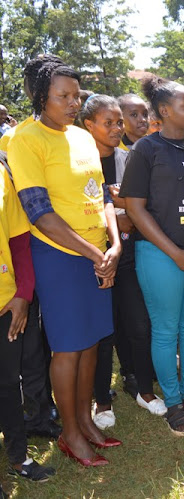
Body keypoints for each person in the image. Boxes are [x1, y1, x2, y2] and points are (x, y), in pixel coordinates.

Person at [9, 59, 121, 466]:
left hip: (98, 254)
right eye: (64, 96)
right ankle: (70, 434)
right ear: (41, 97)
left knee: (91, 341)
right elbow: (39, 211)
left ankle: (86, 422)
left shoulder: (82, 136)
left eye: (77, 95)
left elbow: (104, 194)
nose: (74, 103)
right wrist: (96, 255)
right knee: (69, 348)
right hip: (59, 256)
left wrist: (114, 245)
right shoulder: (25, 139)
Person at [120, 75, 184, 435]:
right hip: (160, 255)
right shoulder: (146, 150)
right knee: (165, 330)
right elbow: (135, 208)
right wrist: (176, 253)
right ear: (163, 111)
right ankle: (174, 401)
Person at [81, 95, 167, 419]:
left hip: (128, 254)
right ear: (89, 125)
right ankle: (102, 400)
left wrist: (125, 210)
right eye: (110, 122)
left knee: (139, 325)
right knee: (103, 333)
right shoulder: (78, 162)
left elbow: (140, 209)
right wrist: (119, 214)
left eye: (120, 122)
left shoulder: (130, 158)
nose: (118, 128)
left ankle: (144, 389)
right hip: (91, 256)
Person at [0, 54, 63, 442]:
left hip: (38, 257)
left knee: (38, 343)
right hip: (31, 245)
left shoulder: (65, 135)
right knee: (25, 345)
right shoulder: (16, 138)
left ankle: (41, 411)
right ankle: (27, 411)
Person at [0, 152, 56, 487]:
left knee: (7, 385)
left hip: (6, 303)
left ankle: (18, 457)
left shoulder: (2, 170)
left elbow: (19, 240)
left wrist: (23, 293)